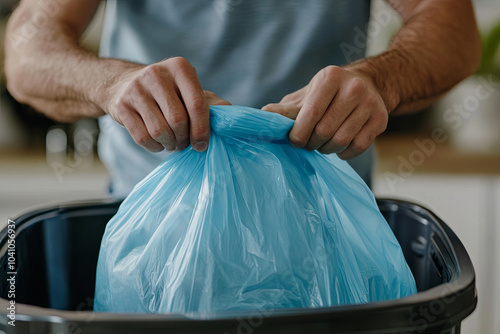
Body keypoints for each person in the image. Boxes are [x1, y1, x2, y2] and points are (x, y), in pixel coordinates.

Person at [5, 0, 481, 198]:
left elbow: (453, 28)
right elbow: (27, 54)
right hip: (153, 225)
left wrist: (381, 79)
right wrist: (110, 84)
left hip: (324, 224)